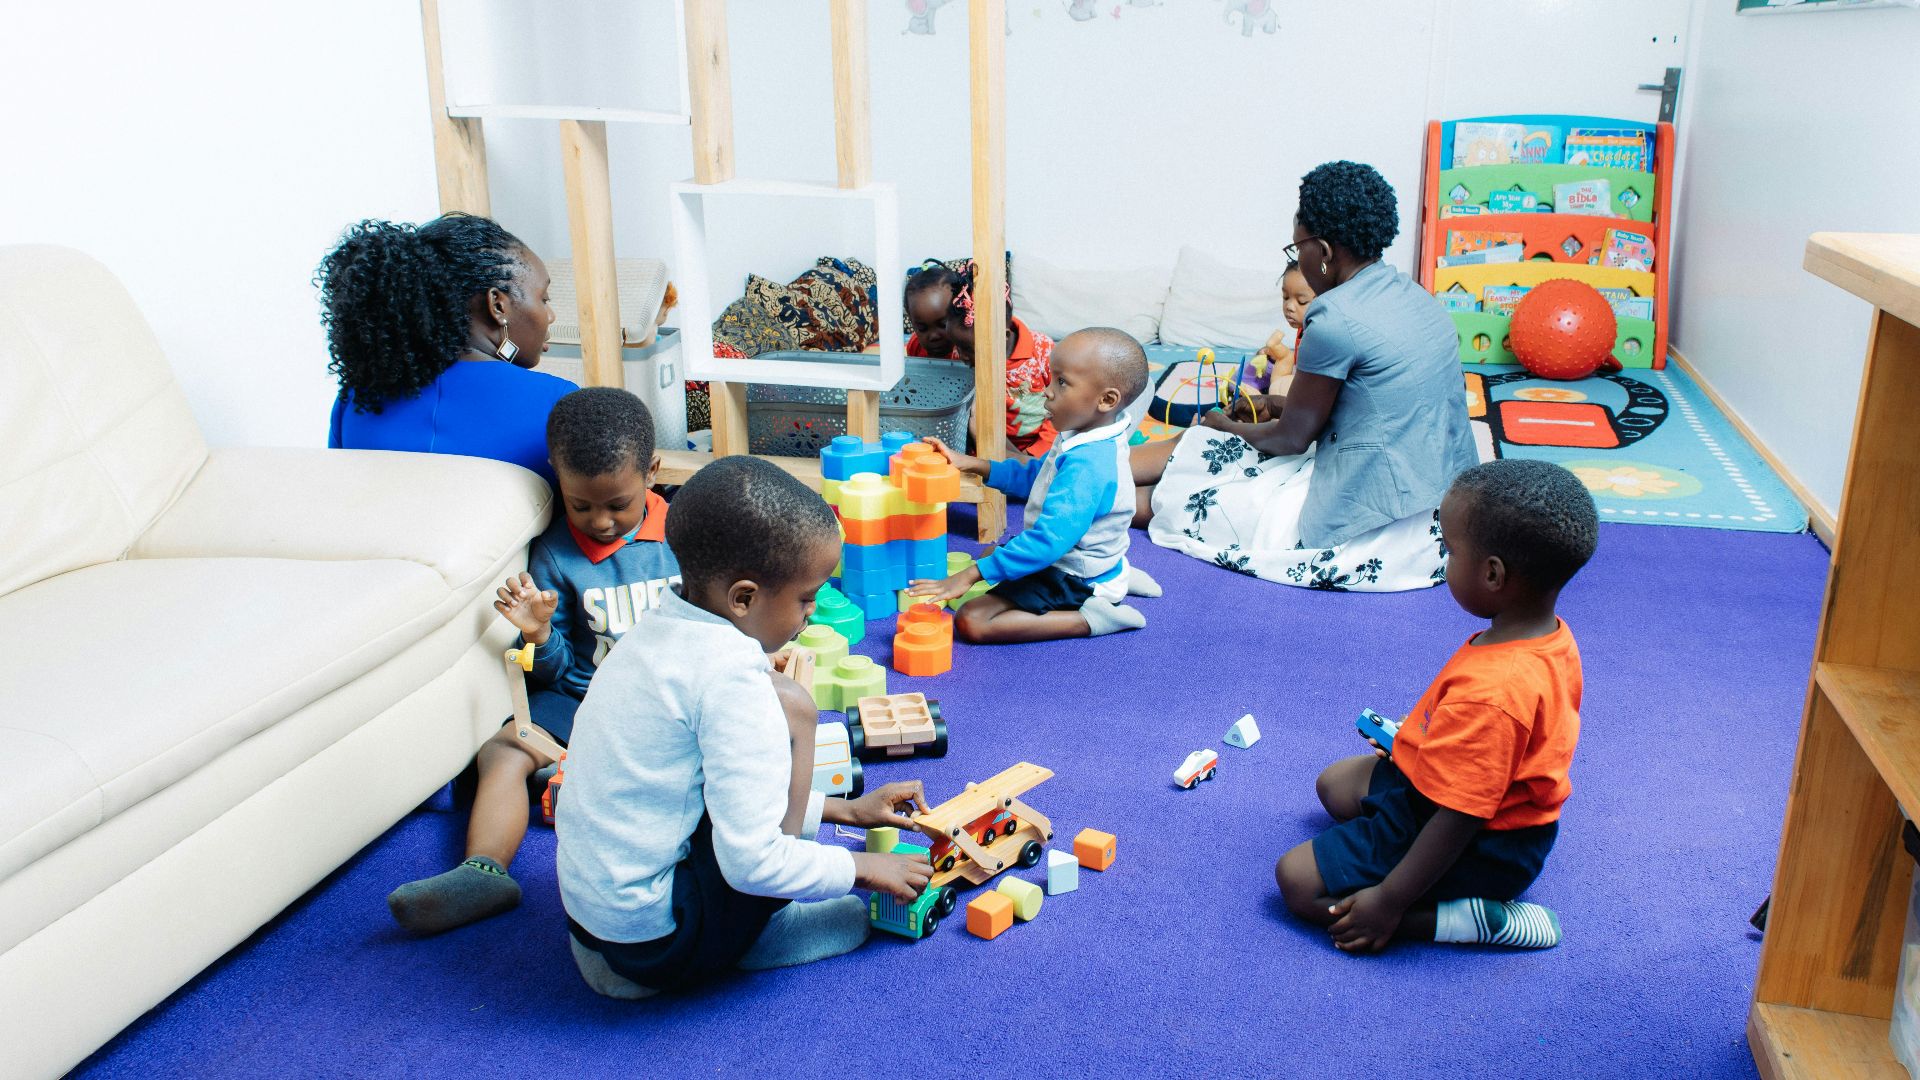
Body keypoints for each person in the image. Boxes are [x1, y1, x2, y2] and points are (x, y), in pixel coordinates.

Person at [558, 456, 934, 998]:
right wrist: (860, 867)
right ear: (743, 598)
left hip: (599, 918)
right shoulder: (731, 685)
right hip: (657, 947)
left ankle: (678, 936)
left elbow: (699, 784)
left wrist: (842, 811)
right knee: (795, 708)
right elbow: (753, 862)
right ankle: (762, 931)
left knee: (777, 705)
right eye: (807, 598)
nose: (813, 614)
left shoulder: (652, 632)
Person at [385, 388, 681, 934]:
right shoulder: (552, 555)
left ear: (652, 472)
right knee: (504, 748)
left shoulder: (685, 536)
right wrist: (539, 632)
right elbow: (555, 671)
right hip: (584, 697)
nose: (602, 521)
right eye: (581, 505)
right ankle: (484, 870)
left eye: (618, 504)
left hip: (675, 701)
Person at [1275, 459, 1596, 953]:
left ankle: (1466, 919)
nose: (1444, 558)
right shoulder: (1541, 635)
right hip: (1464, 799)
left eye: (1450, 549)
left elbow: (1459, 817)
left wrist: (1390, 901)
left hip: (1484, 844)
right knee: (1335, 785)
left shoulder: (1497, 691)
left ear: (1492, 574)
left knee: (1296, 881)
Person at [1131, 162, 1477, 592]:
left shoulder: (1333, 318)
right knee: (1203, 448)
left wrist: (1226, 425)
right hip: (1442, 508)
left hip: (1373, 520)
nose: (1298, 261)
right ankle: (1067, 478)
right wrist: (1278, 405)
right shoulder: (1413, 295)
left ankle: (1071, 488)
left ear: (1326, 253)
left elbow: (1291, 439)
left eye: (1298, 251)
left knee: (1190, 476)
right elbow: (1374, 403)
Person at [907, 328, 1156, 643]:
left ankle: (1093, 615)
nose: (1047, 391)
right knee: (992, 556)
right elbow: (1039, 476)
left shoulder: (1088, 465)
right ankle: (1113, 572)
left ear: (1106, 400)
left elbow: (1048, 542)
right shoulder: (1089, 432)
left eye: (1062, 382)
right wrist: (975, 464)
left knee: (974, 620)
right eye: (1051, 379)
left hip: (1071, 573)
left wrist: (969, 576)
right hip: (1082, 553)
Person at [318, 212, 574, 486]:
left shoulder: (356, 401)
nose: (550, 315)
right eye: (543, 298)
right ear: (498, 306)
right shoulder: (559, 404)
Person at [905, 260, 1058, 458]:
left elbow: (1062, 406)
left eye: (967, 349)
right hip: (984, 448)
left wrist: (1035, 455)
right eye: (957, 346)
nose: (960, 356)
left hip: (1037, 453)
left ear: (1002, 336)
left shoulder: (1043, 351)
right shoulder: (957, 349)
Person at [1239, 261, 1315, 396]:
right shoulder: (1303, 328)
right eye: (1285, 297)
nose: (1289, 307)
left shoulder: (1318, 337)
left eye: (1301, 301)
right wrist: (1274, 354)